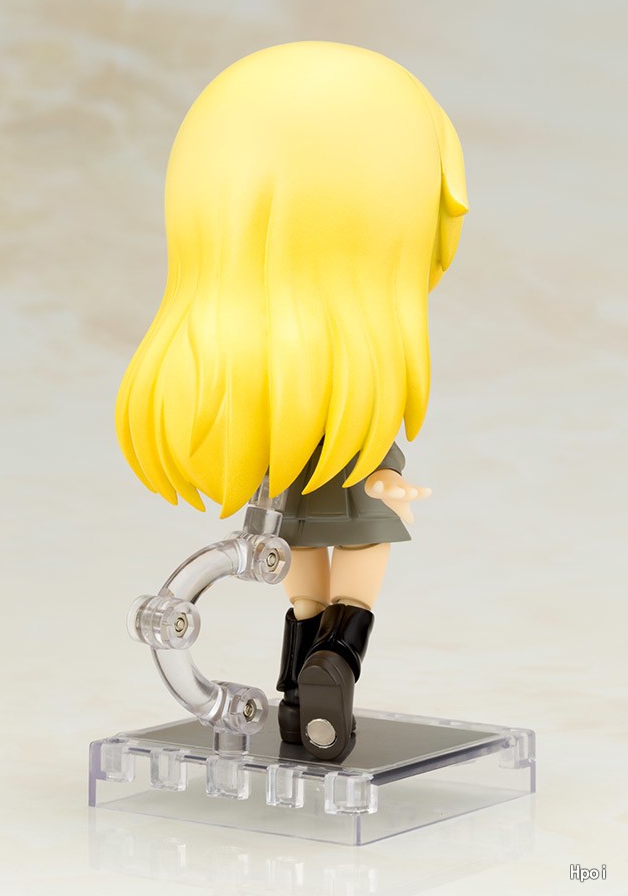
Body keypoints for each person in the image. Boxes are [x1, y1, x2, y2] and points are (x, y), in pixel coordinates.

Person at [116, 41, 468, 759]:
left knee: (299, 567)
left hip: (281, 489)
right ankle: (337, 653)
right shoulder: (349, 383)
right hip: (336, 472)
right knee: (362, 548)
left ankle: (297, 686)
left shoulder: (257, 380)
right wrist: (388, 480)